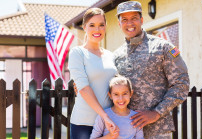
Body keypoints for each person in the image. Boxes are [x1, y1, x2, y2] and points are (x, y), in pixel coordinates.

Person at [113, 1, 190, 138]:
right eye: (124, 19)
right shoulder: (116, 56)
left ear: (141, 20)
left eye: (134, 18)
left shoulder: (163, 48)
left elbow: (181, 84)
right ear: (119, 24)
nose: (129, 23)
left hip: (157, 130)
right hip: (126, 131)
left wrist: (157, 112)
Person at [68, 8, 118, 139]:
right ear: (84, 27)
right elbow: (83, 88)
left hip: (108, 122)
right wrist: (105, 116)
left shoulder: (110, 55)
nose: (97, 29)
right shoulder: (77, 53)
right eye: (92, 25)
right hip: (84, 122)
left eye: (101, 25)